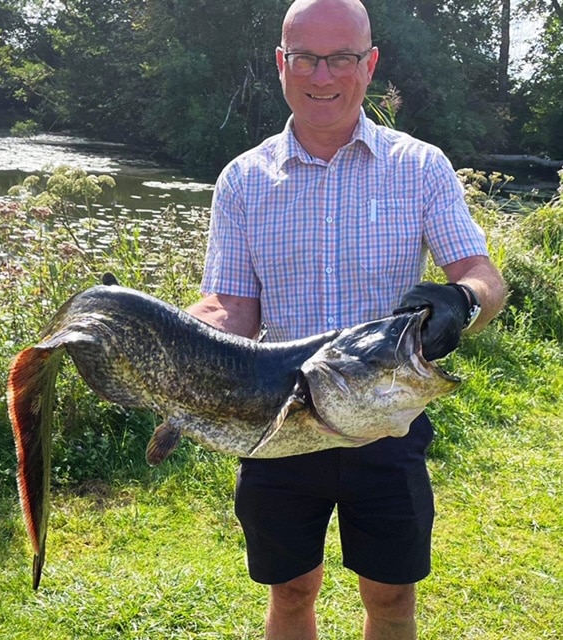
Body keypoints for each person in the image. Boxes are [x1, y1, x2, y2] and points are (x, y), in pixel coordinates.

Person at [187, 0, 507, 637]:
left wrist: (461, 301)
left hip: (387, 421)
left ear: (370, 64)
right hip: (281, 419)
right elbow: (233, 312)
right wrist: (171, 333)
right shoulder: (243, 181)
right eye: (305, 57)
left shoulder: (420, 167)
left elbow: (484, 277)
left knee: (391, 599)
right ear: (281, 64)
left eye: (341, 58)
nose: (323, 75)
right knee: (291, 593)